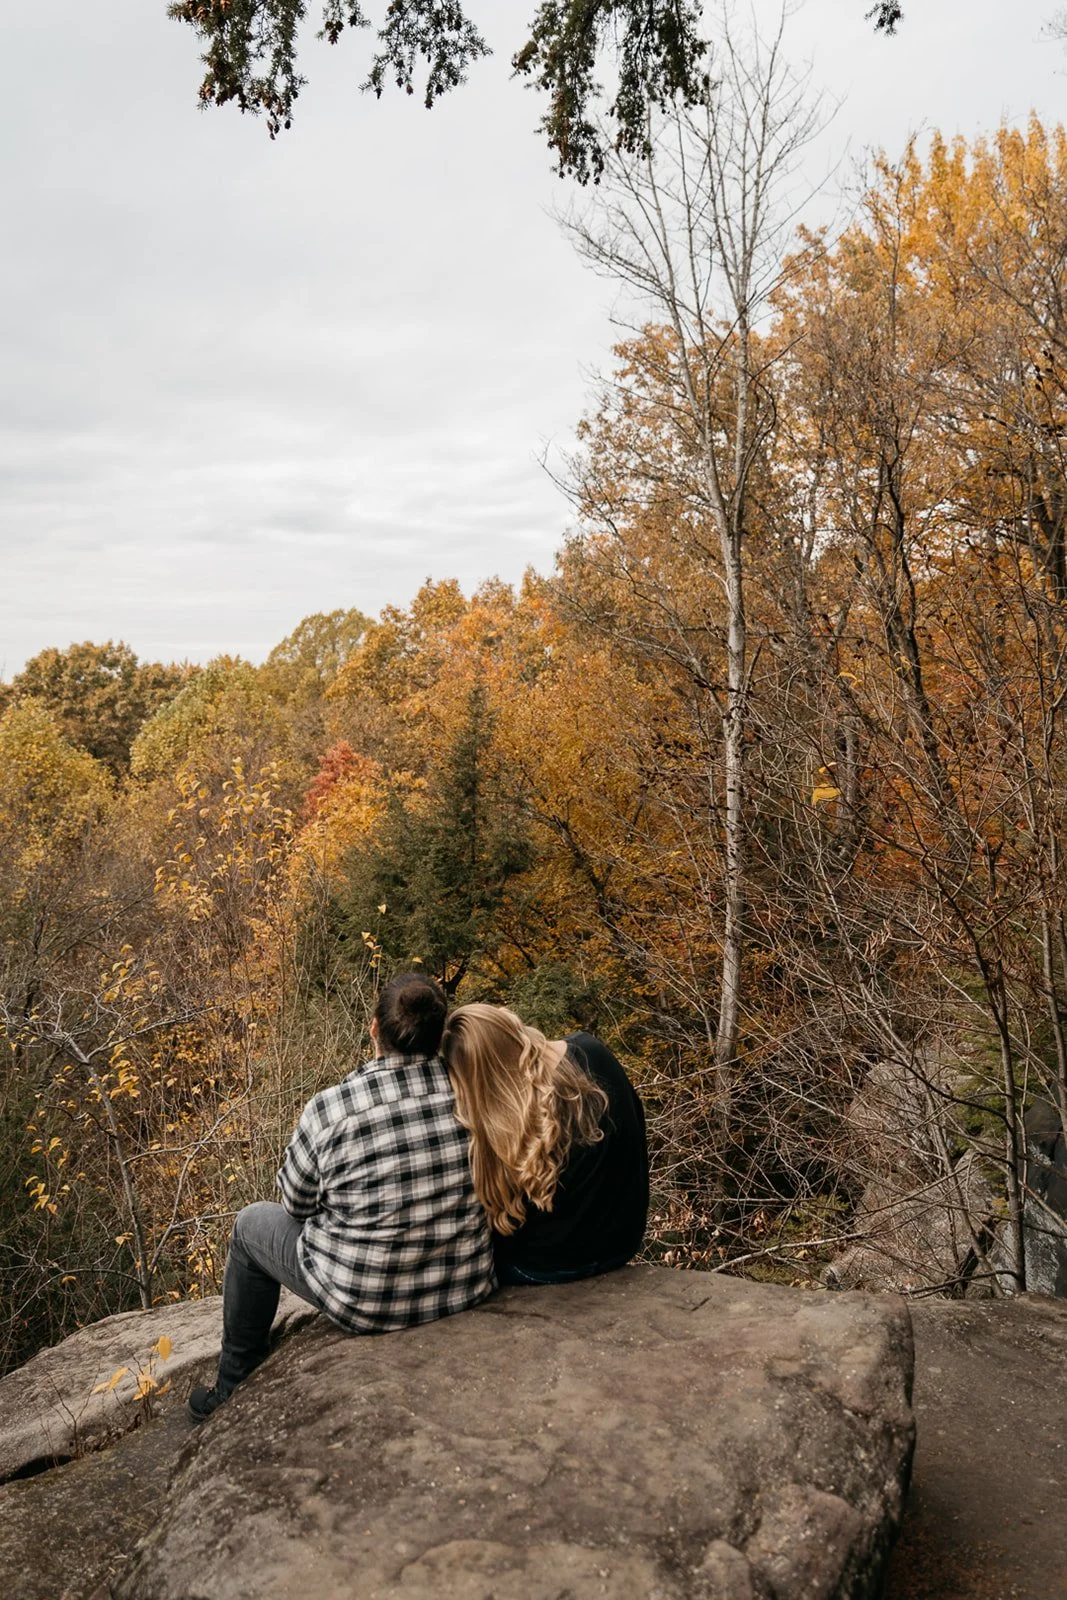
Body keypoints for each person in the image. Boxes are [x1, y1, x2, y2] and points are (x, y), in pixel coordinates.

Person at [188, 971, 496, 1421]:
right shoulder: (472, 1094)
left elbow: (294, 1204)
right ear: (439, 1034)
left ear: (374, 1029)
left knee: (251, 1224)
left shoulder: (331, 1108)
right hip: (464, 1285)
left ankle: (232, 1386)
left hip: (366, 1303)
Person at [439, 1004, 648, 1285]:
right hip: (620, 1246)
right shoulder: (591, 1052)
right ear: (509, 1027)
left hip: (543, 1268)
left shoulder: (503, 1125)